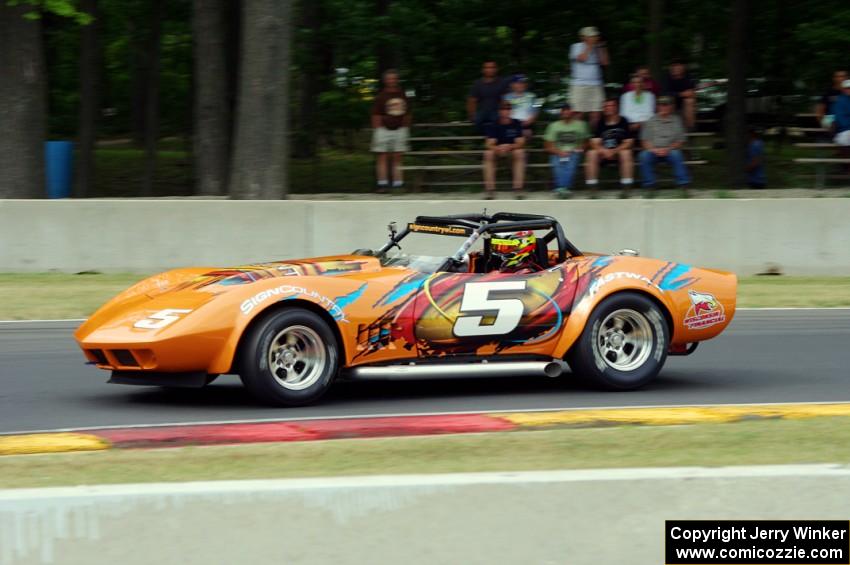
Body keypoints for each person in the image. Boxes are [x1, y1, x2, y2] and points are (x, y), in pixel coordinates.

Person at [370, 69, 412, 193]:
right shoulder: (381, 96)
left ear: (397, 80)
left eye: (394, 78)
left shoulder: (403, 95)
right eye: (389, 79)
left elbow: (408, 112)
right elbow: (375, 114)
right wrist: (377, 128)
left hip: (400, 129)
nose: (392, 81)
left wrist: (405, 127)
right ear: (385, 81)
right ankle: (382, 184)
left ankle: (398, 184)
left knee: (397, 156)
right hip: (383, 129)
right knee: (382, 156)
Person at [639, 96, 690, 191]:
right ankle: (649, 184)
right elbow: (644, 141)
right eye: (662, 105)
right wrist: (654, 150)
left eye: (667, 105)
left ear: (671, 107)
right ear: (657, 107)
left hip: (671, 150)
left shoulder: (677, 120)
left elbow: (680, 141)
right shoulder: (650, 121)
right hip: (653, 150)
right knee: (644, 156)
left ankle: (683, 183)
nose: (664, 107)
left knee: (677, 154)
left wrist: (668, 149)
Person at [586, 99, 634, 196]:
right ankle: (592, 188)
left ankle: (626, 187)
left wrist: (615, 151)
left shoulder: (623, 121)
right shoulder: (600, 123)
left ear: (616, 108)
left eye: (611, 106)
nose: (608, 108)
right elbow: (594, 142)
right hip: (604, 154)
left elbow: (629, 142)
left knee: (626, 153)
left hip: (619, 152)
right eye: (606, 106)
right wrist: (603, 151)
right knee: (591, 153)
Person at [543, 104, 590, 198]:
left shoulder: (581, 125)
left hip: (574, 151)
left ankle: (560, 189)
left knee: (570, 164)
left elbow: (587, 141)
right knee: (557, 164)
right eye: (564, 110)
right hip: (557, 151)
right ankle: (565, 189)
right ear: (561, 113)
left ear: (572, 112)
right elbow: (547, 145)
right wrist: (559, 152)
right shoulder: (554, 126)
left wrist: (581, 148)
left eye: (568, 110)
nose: (566, 112)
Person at [482, 102, 526, 199]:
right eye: (503, 109)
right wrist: (497, 148)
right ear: (499, 112)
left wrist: (510, 146)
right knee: (487, 154)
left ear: (511, 111)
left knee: (520, 153)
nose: (505, 112)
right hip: (497, 150)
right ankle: (490, 190)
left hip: (512, 150)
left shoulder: (516, 123)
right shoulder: (493, 124)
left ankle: (518, 189)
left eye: (508, 109)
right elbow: (489, 143)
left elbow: (521, 142)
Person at [568, 26, 609, 129]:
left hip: (596, 84)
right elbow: (582, 58)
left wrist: (601, 48)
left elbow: (605, 62)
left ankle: (592, 137)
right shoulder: (576, 46)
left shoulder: (599, 47)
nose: (595, 38)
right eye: (591, 36)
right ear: (583, 37)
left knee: (596, 113)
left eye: (595, 36)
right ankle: (578, 137)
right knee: (578, 112)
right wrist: (590, 46)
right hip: (579, 84)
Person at [468, 61, 510, 134]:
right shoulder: (477, 83)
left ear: (496, 69)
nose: (490, 69)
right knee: (477, 121)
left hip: (497, 111)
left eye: (492, 67)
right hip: (481, 111)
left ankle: (494, 139)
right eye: (487, 67)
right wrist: (471, 114)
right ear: (483, 70)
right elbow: (472, 100)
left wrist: (505, 114)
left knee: (497, 121)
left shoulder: (502, 82)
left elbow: (506, 100)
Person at [663, 59, 696, 129]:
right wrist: (681, 94)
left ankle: (689, 128)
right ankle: (670, 127)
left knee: (690, 101)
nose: (676, 68)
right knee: (669, 99)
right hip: (672, 103)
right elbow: (666, 93)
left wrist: (686, 94)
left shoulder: (689, 77)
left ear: (683, 67)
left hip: (684, 104)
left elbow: (691, 93)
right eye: (674, 66)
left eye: (678, 66)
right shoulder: (667, 77)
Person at [504, 74, 538, 139]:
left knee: (526, 133)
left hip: (528, 125)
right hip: (511, 125)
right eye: (518, 83)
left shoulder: (533, 96)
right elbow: (504, 112)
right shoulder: (506, 97)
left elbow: (536, 111)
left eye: (523, 83)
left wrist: (529, 121)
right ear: (512, 85)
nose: (521, 85)